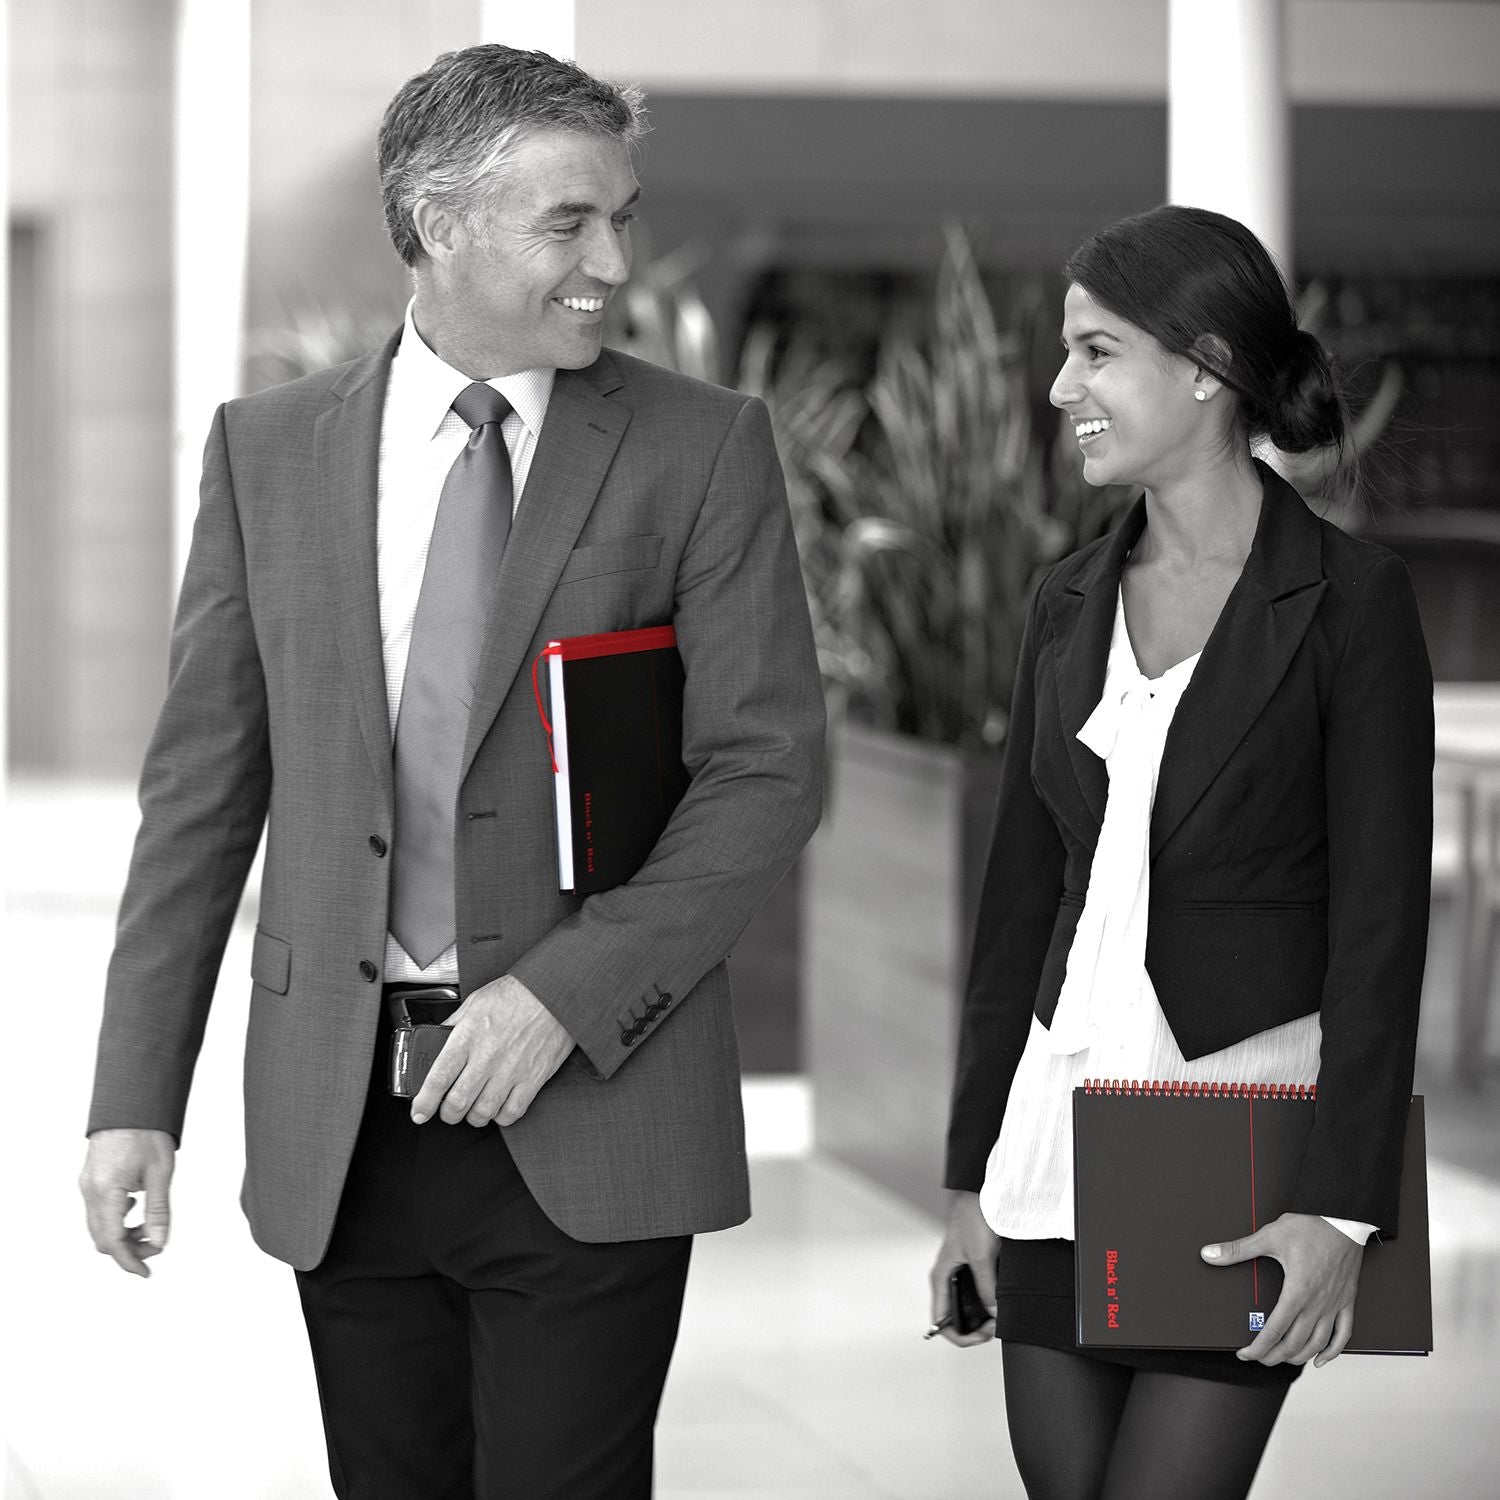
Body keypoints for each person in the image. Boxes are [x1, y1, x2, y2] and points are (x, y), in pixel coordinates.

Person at [79, 43, 824, 1500]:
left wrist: (562, 998)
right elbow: (201, 801)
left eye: (621, 216)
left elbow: (766, 772)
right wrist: (133, 1097)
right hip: (344, 1119)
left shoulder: (702, 448)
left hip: (593, 1094)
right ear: (438, 221)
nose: (614, 262)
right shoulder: (267, 452)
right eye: (569, 223)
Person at [929, 204, 1432, 1499]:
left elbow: (1381, 931)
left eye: (1096, 352)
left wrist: (1341, 1208)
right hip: (1050, 1152)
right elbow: (1017, 909)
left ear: (1206, 367)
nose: (1061, 388)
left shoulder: (1353, 604)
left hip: (1240, 1155)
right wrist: (968, 1182)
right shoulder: (1064, 598)